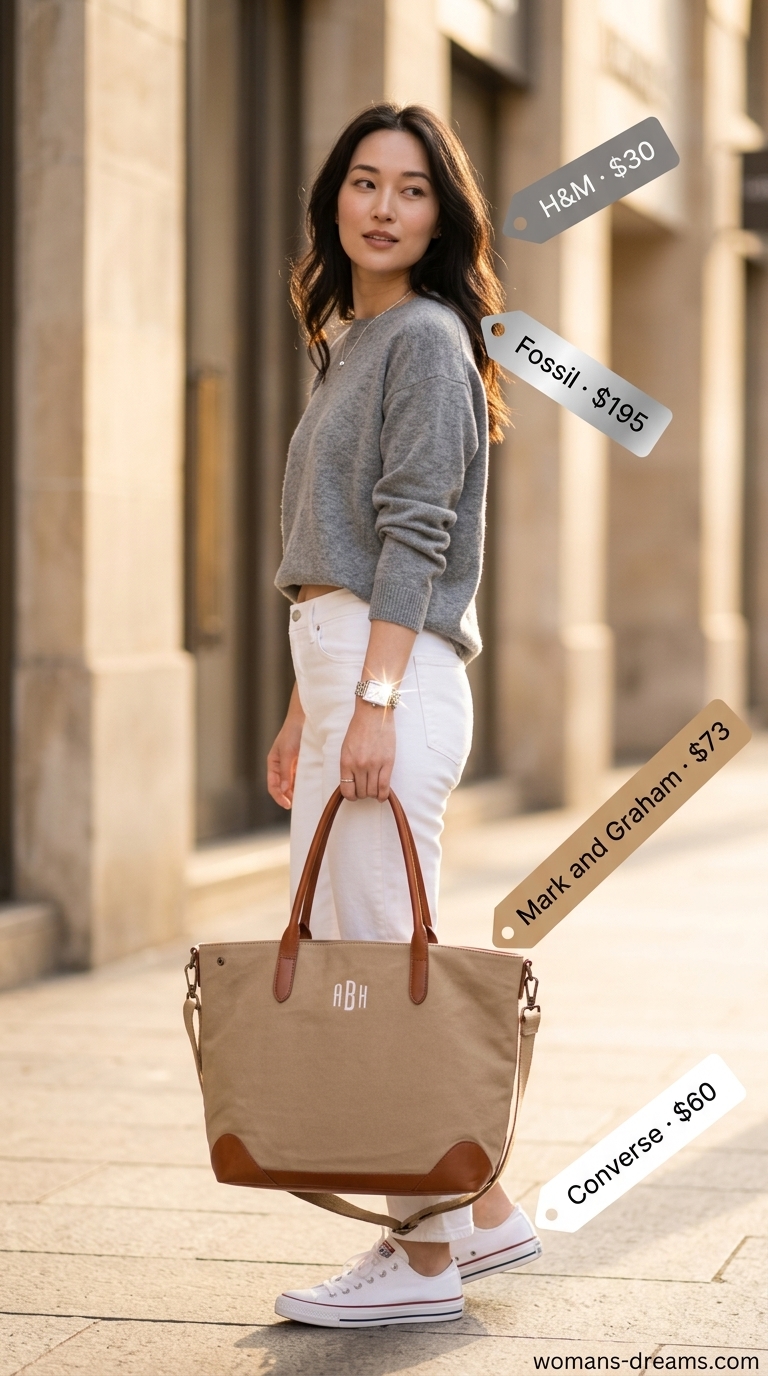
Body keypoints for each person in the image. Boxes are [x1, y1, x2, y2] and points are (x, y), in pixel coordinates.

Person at [267, 102, 541, 1328]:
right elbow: (337, 546)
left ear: (443, 214)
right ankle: (481, 1213)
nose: (382, 206)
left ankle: (417, 1259)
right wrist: (303, 708)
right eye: (365, 182)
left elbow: (416, 533)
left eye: (412, 189)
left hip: (394, 675)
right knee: (372, 948)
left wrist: (367, 701)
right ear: (336, 197)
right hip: (345, 668)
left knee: (381, 970)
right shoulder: (350, 339)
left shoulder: (425, 337)